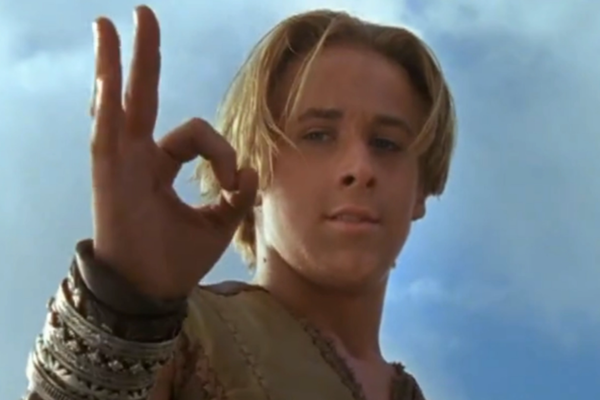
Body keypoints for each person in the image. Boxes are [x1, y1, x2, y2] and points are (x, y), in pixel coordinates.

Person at [23, 4, 455, 400]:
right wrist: (122, 307)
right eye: (317, 135)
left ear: (420, 190)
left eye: (387, 143)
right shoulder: (181, 338)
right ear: (254, 163)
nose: (360, 168)